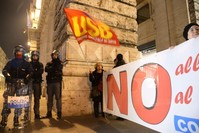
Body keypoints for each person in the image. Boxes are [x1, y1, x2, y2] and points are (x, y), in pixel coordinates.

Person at [0, 45, 33, 127]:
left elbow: (31, 72)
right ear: (15, 53)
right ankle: (4, 119)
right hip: (11, 83)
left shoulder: (26, 64)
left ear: (23, 53)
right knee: (7, 101)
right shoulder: (11, 62)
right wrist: (8, 77)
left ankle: (16, 119)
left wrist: (27, 78)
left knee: (19, 102)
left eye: (20, 52)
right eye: (17, 52)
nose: (19, 53)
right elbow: (4, 70)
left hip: (22, 85)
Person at [45, 50, 63, 119]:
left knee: (58, 98)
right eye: (53, 55)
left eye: (56, 55)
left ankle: (59, 113)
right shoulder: (49, 63)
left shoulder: (59, 63)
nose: (54, 56)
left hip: (57, 82)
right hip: (50, 83)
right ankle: (49, 112)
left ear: (57, 55)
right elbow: (46, 69)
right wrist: (54, 70)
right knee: (49, 98)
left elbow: (58, 70)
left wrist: (52, 70)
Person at [30, 50, 44, 119]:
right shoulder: (29, 64)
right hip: (30, 83)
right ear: (32, 56)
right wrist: (34, 72)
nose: (35, 57)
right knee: (28, 98)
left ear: (38, 57)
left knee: (37, 99)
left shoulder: (40, 64)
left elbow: (40, 72)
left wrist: (33, 72)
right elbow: (28, 72)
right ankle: (27, 114)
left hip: (37, 83)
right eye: (34, 56)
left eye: (36, 56)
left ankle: (37, 113)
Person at [113, 53, 126, 120]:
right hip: (124, 85)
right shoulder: (125, 64)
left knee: (120, 101)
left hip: (119, 85)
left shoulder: (117, 66)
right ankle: (124, 115)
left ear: (117, 59)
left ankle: (121, 116)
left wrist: (114, 65)